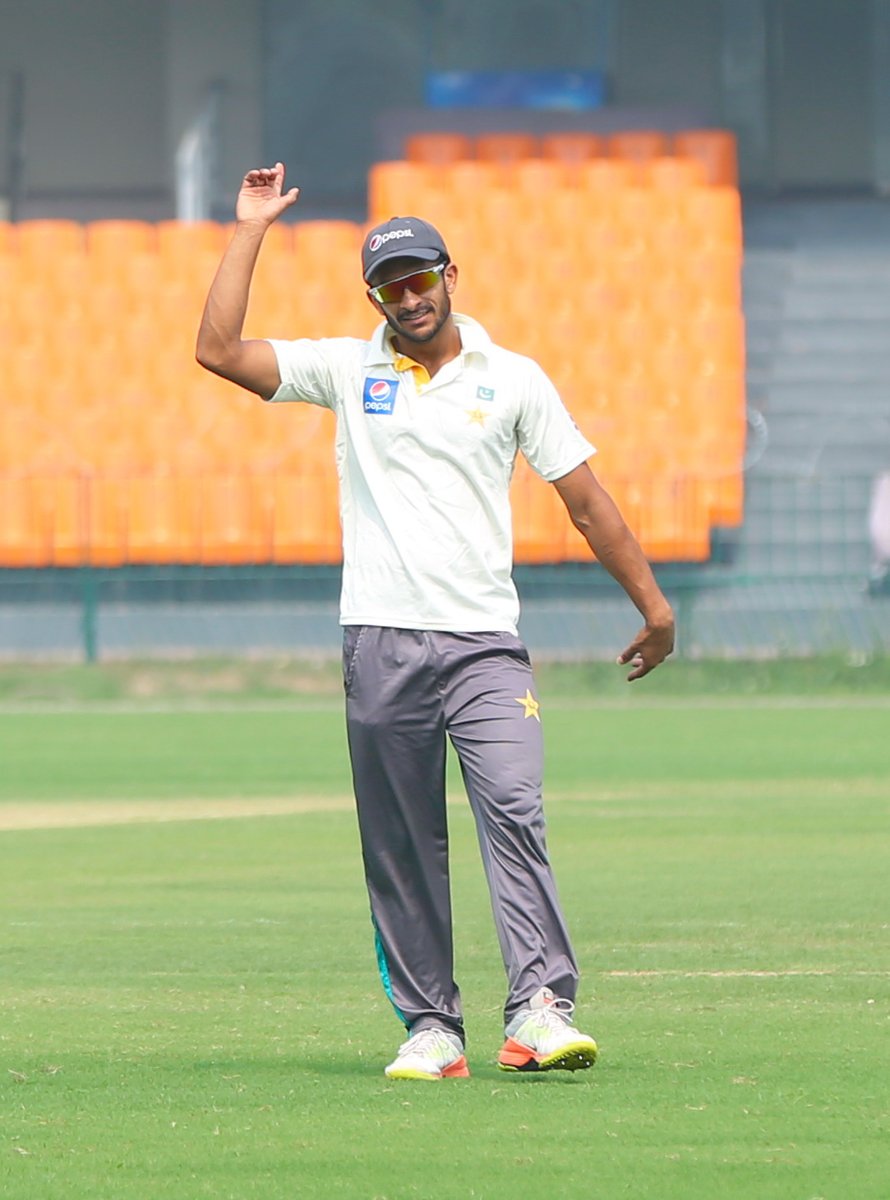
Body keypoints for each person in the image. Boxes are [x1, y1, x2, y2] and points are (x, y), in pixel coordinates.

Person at [196, 162, 675, 1081]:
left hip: (485, 644)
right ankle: (431, 1028)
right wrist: (251, 225)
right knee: (402, 839)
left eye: (421, 279)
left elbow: (587, 502)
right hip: (378, 639)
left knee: (515, 808)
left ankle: (538, 1009)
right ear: (373, 296)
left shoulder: (515, 378)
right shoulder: (347, 368)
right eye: (389, 286)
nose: (408, 298)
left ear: (451, 276)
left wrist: (654, 609)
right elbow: (219, 351)